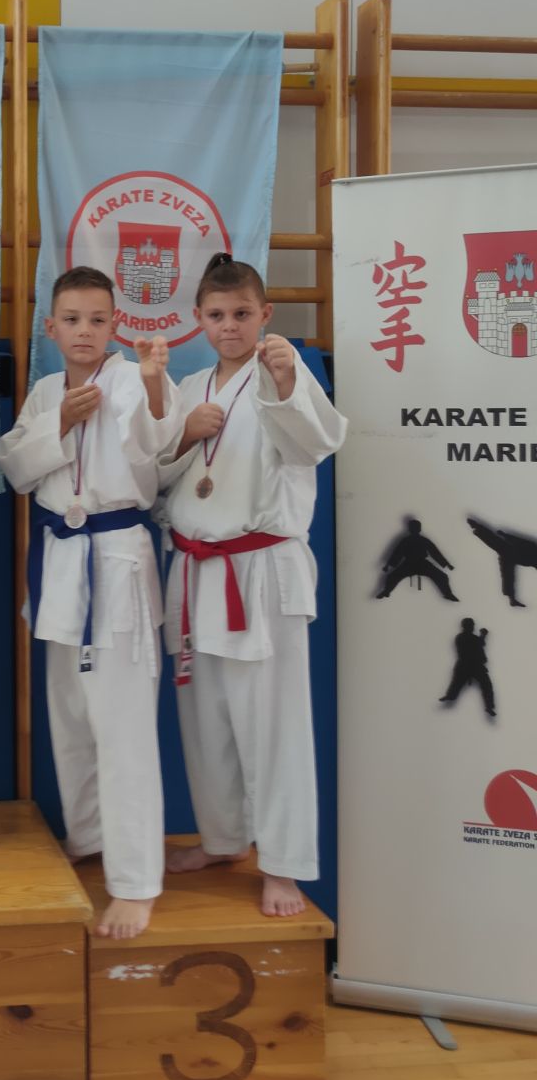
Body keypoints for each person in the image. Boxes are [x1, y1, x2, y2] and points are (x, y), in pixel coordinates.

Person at [158, 252, 346, 918]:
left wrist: (288, 382)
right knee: (205, 720)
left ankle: (284, 866)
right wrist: (183, 437)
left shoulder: (284, 374)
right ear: (198, 319)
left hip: (259, 574)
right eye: (217, 315)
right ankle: (223, 839)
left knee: (272, 725)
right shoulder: (189, 387)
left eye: (242, 313)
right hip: (195, 573)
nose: (230, 326)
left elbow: (315, 446)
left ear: (265, 314)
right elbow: (153, 481)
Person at [0, 266, 179, 938]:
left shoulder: (131, 381)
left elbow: (160, 446)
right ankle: (90, 834)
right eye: (71, 320)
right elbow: (14, 467)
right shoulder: (46, 392)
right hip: (61, 563)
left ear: (114, 327)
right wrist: (60, 425)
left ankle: (136, 881)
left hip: (116, 563)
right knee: (70, 715)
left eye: (98, 320)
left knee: (122, 726)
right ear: (51, 327)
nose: (84, 331)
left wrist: (155, 380)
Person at [376, 517, 458, 601]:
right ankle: (386, 591)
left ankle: (448, 594)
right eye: (413, 527)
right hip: (411, 564)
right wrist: (388, 565)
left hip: (420, 564)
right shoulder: (408, 540)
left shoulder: (416, 540)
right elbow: (397, 553)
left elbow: (435, 553)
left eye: (416, 527)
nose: (415, 529)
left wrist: (447, 564)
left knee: (442, 577)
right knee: (392, 576)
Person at [439, 618, 497, 718]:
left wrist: (482, 636)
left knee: (486, 686)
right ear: (466, 626)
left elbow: (479, 644)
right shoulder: (461, 638)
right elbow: (478, 644)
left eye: (472, 625)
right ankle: (450, 696)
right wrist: (482, 635)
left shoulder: (467, 638)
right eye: (470, 625)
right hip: (468, 665)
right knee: (457, 683)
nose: (472, 627)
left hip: (472, 666)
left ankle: (489, 706)